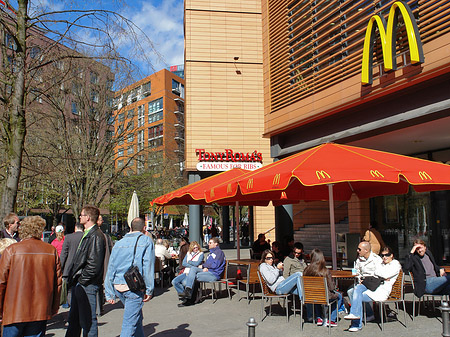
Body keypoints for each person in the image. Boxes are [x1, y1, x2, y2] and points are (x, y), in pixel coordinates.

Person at [0, 215, 62, 336]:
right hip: (40, 310)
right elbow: (57, 282)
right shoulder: (50, 251)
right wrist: (54, 306)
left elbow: (1, 282)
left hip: (14, 310)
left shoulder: (12, 250)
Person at [105, 217, 154, 337]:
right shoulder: (146, 241)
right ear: (144, 228)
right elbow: (148, 267)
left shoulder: (119, 243)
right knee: (129, 323)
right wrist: (149, 289)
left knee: (136, 317)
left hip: (118, 285)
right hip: (134, 286)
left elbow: (111, 267)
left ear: (130, 227)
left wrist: (109, 292)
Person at [65, 205, 106, 337]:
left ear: (88, 217)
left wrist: (82, 280)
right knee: (75, 319)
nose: (80, 217)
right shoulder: (89, 234)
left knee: (88, 320)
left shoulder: (96, 236)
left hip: (87, 284)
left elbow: (94, 264)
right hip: (81, 283)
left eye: (81, 215)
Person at [345, 246, 401, 332]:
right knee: (356, 289)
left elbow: (384, 274)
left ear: (392, 255)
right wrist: (381, 276)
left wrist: (381, 275)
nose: (384, 257)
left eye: (387, 255)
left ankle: (356, 323)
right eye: (382, 255)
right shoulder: (381, 263)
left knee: (357, 296)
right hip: (373, 287)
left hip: (381, 291)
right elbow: (376, 273)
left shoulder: (395, 264)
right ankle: (355, 314)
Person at [303, 249, 343, 327]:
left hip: (311, 295)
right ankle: (331, 319)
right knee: (339, 296)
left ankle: (319, 318)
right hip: (324, 296)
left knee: (318, 297)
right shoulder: (325, 271)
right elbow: (331, 287)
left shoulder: (306, 270)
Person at [347, 241, 383, 324]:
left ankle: (359, 315)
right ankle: (362, 313)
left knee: (357, 292)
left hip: (372, 283)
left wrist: (366, 280)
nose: (357, 250)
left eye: (359, 249)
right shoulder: (359, 259)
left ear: (366, 250)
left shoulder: (376, 259)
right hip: (362, 282)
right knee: (350, 291)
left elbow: (379, 274)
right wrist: (359, 278)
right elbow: (357, 270)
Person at [181, 237, 225, 303]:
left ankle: (191, 298)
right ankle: (188, 290)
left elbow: (215, 265)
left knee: (193, 276)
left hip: (214, 274)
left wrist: (204, 266)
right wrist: (205, 266)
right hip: (208, 271)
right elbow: (209, 264)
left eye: (210, 243)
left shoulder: (219, 253)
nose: (208, 244)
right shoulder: (211, 253)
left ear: (216, 244)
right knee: (193, 269)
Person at [172, 241, 204, 306]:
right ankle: (183, 294)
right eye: (194, 248)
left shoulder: (201, 254)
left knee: (185, 283)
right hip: (185, 271)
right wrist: (192, 264)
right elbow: (183, 263)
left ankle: (187, 298)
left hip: (192, 273)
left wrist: (189, 262)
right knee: (174, 281)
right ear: (191, 248)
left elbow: (197, 263)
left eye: (197, 247)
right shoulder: (188, 253)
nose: (196, 249)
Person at [60, 222, 84, 309]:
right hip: (83, 267)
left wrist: (61, 267)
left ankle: (70, 306)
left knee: (69, 289)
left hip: (69, 267)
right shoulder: (86, 236)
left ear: (75, 228)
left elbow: (64, 254)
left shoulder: (68, 237)